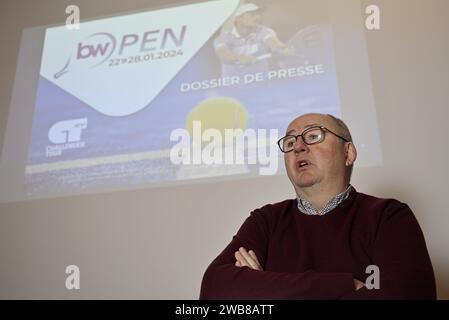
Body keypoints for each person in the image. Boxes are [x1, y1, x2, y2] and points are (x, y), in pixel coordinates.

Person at [199, 113, 436, 299]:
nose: (298, 147)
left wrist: (265, 286)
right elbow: (214, 289)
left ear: (348, 152)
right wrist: (345, 285)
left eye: (313, 136)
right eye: (290, 142)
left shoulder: (389, 217)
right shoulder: (266, 220)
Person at [213, 3, 291, 79]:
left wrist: (284, 49)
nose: (257, 17)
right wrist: (239, 57)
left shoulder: (265, 31)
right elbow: (224, 55)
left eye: (258, 14)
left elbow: (275, 43)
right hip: (232, 87)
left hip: (262, 84)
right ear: (238, 18)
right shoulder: (223, 38)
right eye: (252, 14)